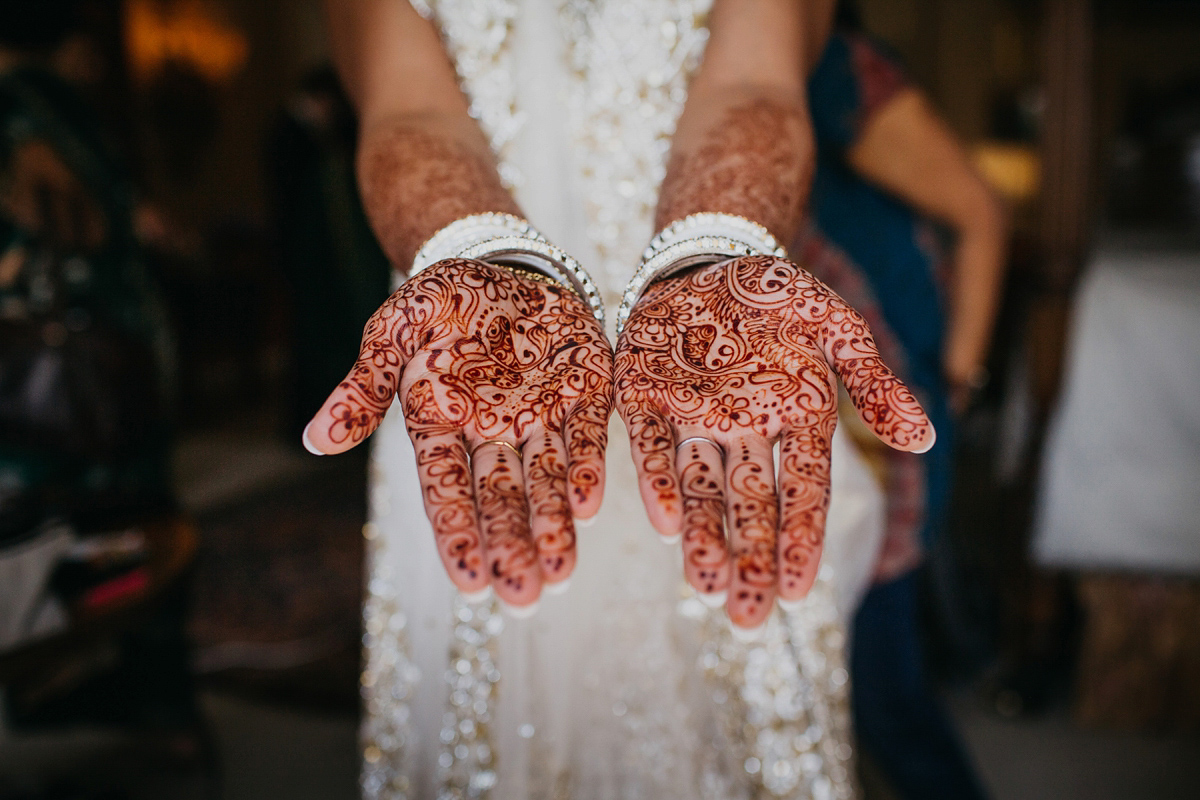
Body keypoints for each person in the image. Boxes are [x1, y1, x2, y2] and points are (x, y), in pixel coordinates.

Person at [305, 1, 933, 797]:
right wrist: (479, 253)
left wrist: (711, 250)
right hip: (479, 380)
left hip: (717, 372)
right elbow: (409, 104)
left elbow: (751, 84)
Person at [797, 21, 1007, 800]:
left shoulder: (835, 70)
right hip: (801, 411)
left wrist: (957, 380)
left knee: (882, 689)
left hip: (875, 421)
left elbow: (981, 213)